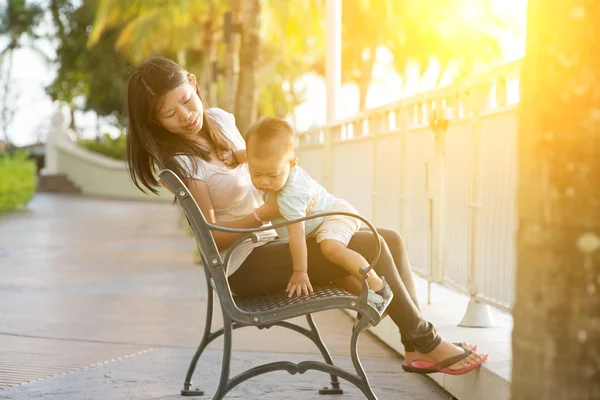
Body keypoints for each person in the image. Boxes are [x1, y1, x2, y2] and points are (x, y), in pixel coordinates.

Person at [125, 56, 489, 375]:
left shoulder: (220, 121)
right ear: (156, 123)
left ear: (193, 84)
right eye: (171, 114)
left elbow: (259, 165)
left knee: (389, 238)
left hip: (276, 242)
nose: (187, 116)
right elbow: (212, 237)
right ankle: (427, 342)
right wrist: (264, 213)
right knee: (375, 243)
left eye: (187, 102)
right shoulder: (181, 162)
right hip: (242, 266)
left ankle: (416, 344)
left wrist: (293, 191)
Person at [221, 116, 392, 305]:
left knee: (331, 249)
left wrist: (300, 272)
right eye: (256, 174)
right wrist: (236, 157)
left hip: (334, 216)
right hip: (316, 226)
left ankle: (378, 287)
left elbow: (297, 234)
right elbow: (251, 155)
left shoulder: (291, 195)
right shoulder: (271, 163)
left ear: (292, 164)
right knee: (333, 270)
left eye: (272, 175)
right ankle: (367, 300)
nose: (264, 182)